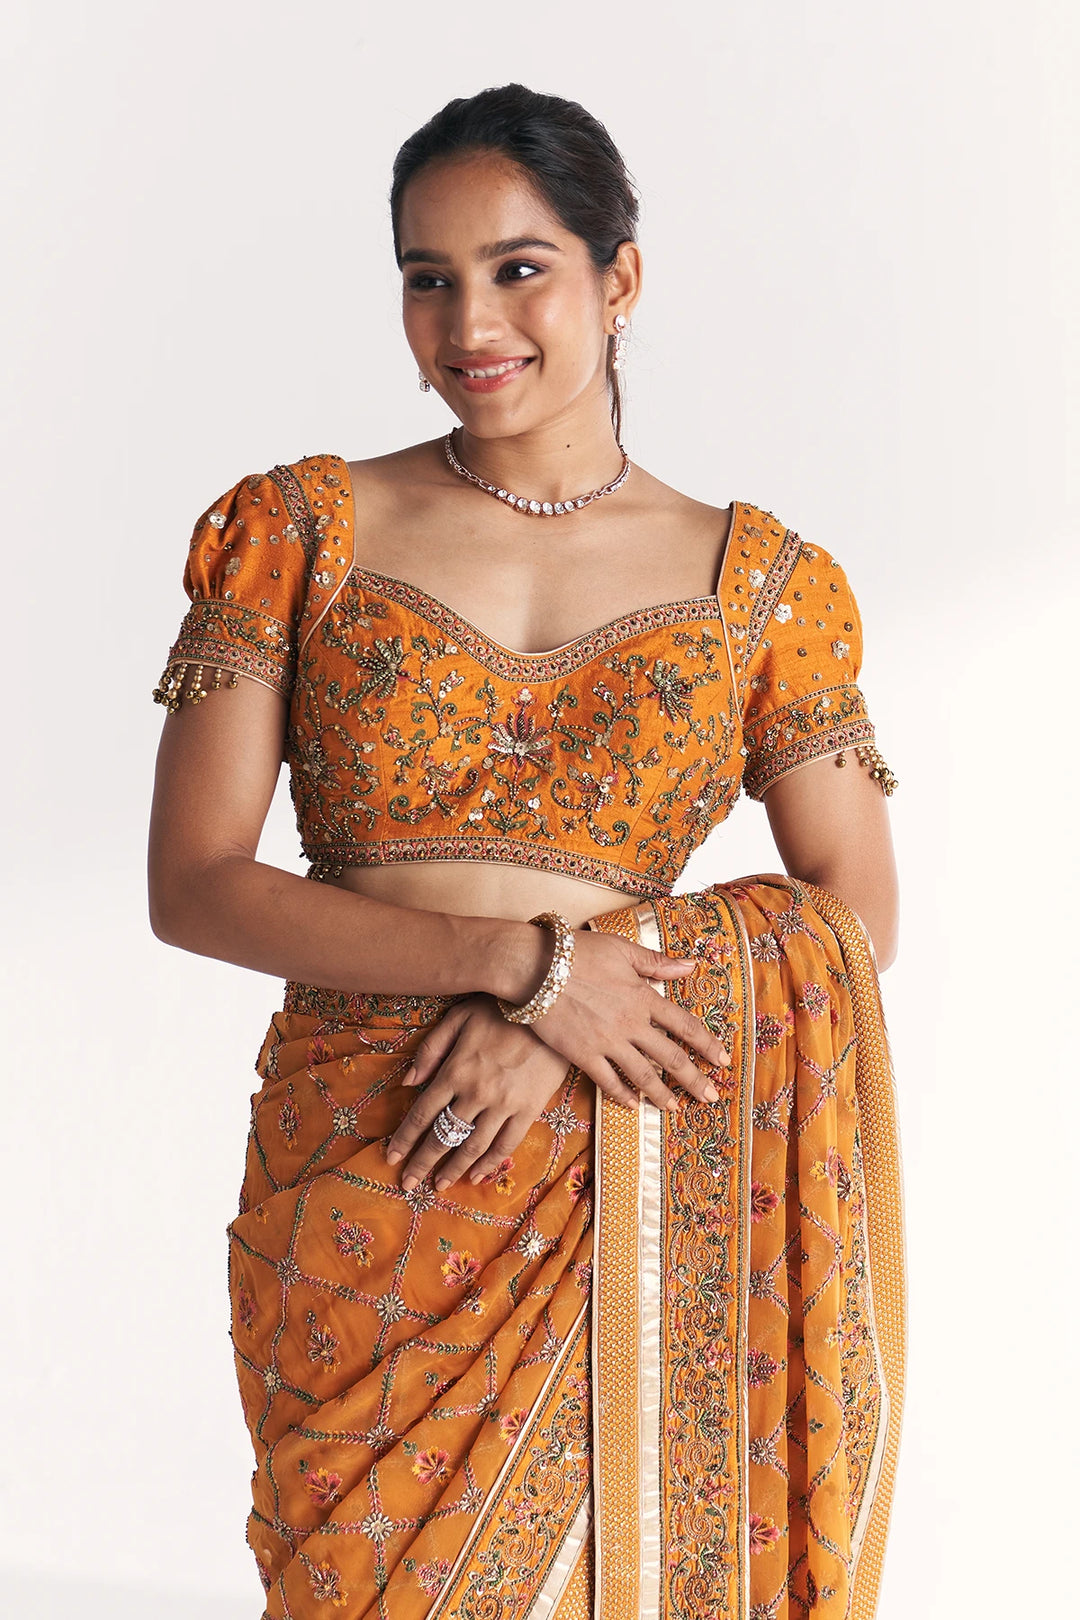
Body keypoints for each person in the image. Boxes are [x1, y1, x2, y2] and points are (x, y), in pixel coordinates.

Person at [149, 82, 905, 1620]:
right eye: (426, 277)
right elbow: (195, 883)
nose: (467, 320)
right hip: (374, 1174)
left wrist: (567, 1031)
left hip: (623, 1154)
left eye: (516, 268)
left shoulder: (766, 587)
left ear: (619, 280)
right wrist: (526, 968)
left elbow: (856, 910)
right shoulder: (300, 532)